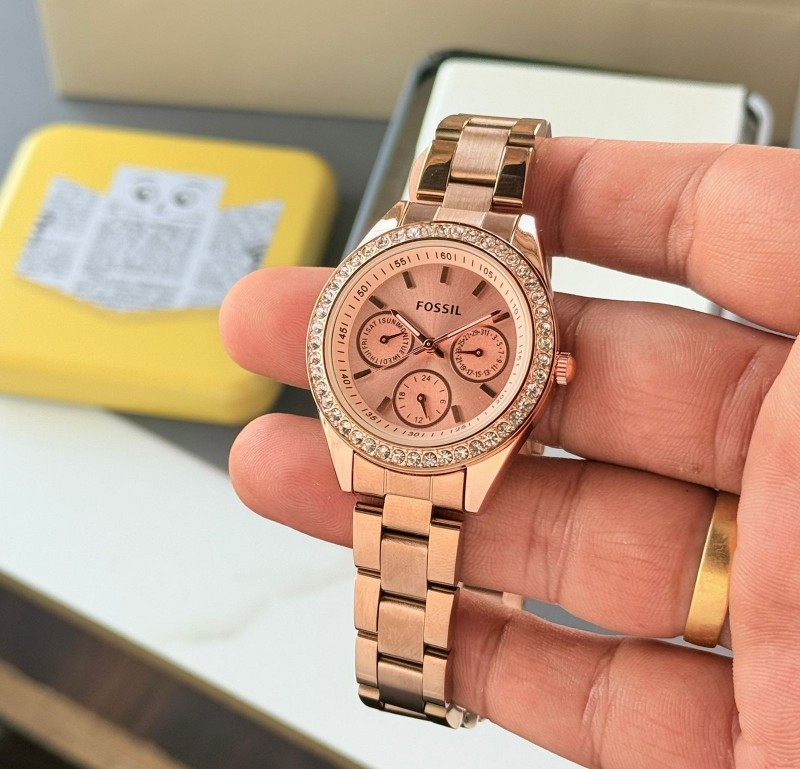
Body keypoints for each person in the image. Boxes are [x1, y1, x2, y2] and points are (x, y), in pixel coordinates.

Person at [219, 138, 800, 769]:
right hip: (377, 430)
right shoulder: (392, 248)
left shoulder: (522, 298)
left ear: (551, 367)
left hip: (452, 439)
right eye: (404, 335)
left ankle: (423, 668)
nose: (430, 351)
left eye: (463, 349)